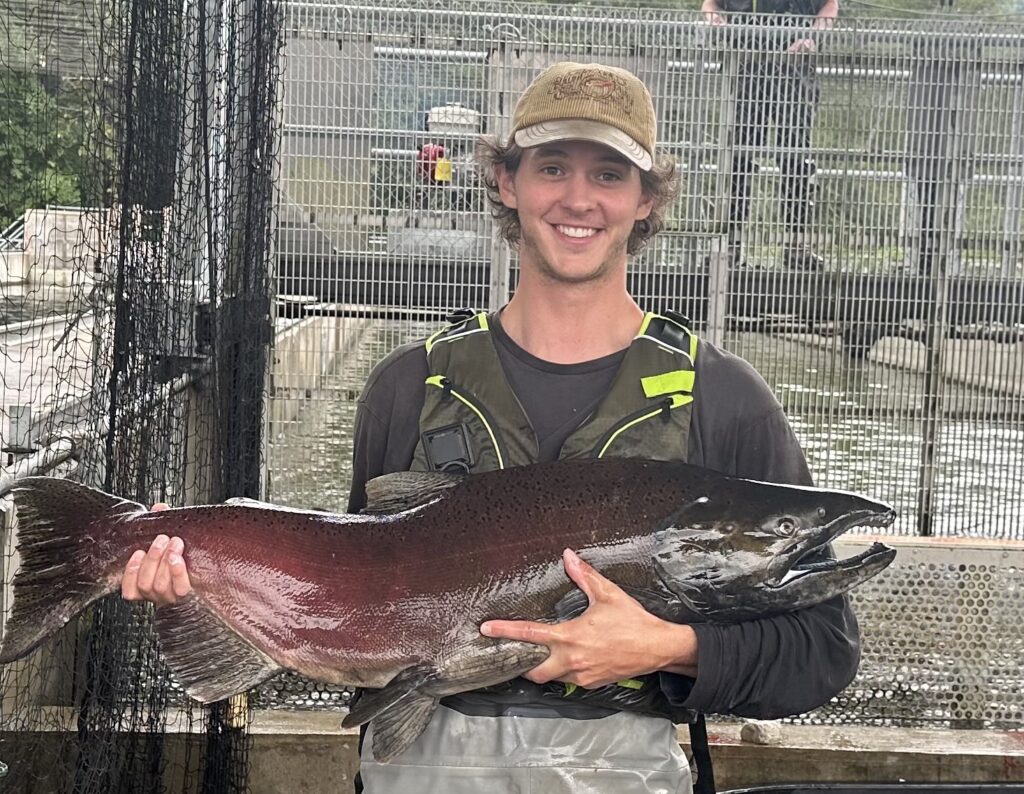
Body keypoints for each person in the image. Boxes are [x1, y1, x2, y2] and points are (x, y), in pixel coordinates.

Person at [121, 61, 860, 794]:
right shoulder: (408, 385)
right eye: (553, 167)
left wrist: (667, 647)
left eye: (609, 174)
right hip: (419, 766)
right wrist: (203, 583)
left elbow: (823, 651)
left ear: (646, 199)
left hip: (623, 768)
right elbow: (345, 590)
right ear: (508, 182)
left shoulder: (724, 398)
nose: (579, 198)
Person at [702, 0, 838, 270]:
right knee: (738, 159)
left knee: (796, 160)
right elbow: (710, 4)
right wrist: (716, 22)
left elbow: (829, 4)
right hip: (745, 69)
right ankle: (729, 248)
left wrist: (812, 37)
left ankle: (796, 246)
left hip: (794, 71)